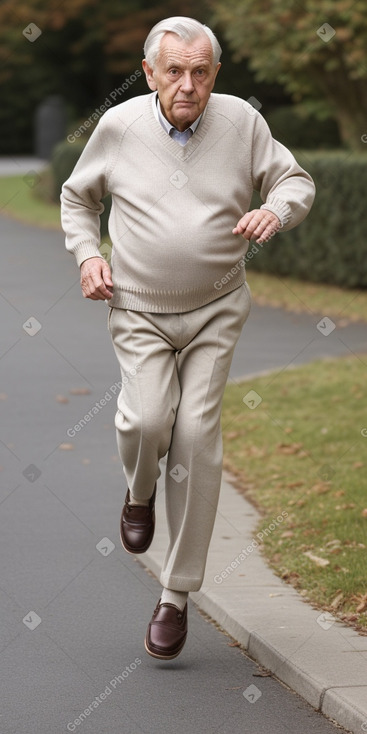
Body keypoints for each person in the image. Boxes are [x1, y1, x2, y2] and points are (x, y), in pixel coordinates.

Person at [61, 16, 315, 661]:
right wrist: (88, 255)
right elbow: (76, 198)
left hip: (216, 308)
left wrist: (274, 209)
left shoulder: (241, 122)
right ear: (149, 74)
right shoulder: (119, 128)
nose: (188, 84)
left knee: (197, 440)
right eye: (174, 70)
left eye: (201, 71)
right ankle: (140, 491)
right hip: (139, 310)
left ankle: (175, 595)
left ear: (215, 74)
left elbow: (296, 181)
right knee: (148, 421)